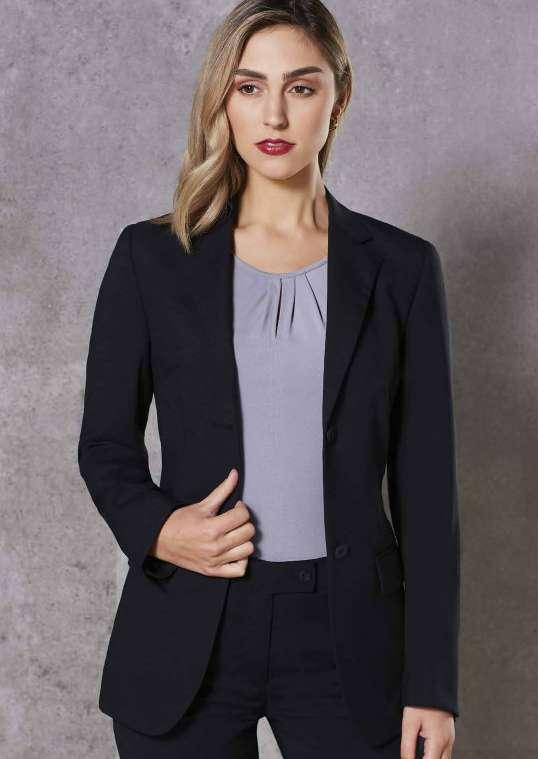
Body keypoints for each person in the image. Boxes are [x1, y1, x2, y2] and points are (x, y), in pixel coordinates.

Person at [77, 1, 460, 757]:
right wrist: (159, 529)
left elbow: (427, 490)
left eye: (301, 87)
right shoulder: (151, 259)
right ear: (223, 99)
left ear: (337, 100)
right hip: (189, 627)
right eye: (250, 87)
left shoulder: (402, 269)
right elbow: (104, 445)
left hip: (350, 639)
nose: (274, 114)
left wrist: (432, 684)